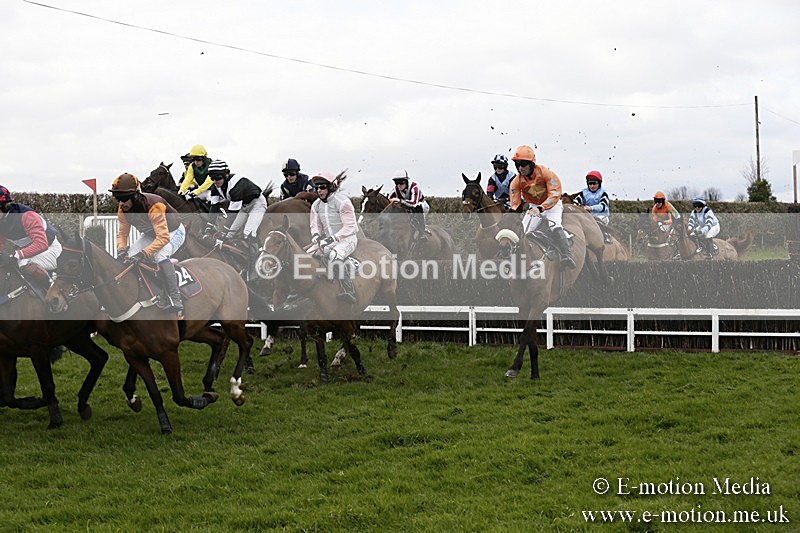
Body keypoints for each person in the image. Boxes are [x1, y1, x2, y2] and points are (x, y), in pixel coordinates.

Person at [110, 173, 186, 318]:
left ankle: (176, 300)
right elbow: (122, 234)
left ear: (135, 196)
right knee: (128, 258)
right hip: (152, 234)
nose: (121, 203)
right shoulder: (123, 210)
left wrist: (143, 254)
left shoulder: (154, 206)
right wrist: (121, 250)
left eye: (124, 198)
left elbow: (163, 238)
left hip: (173, 231)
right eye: (117, 198)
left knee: (160, 255)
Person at [509, 145, 575, 268]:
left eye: (523, 164)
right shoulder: (516, 181)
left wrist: (541, 208)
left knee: (554, 225)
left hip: (552, 205)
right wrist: (513, 211)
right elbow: (515, 203)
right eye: (517, 164)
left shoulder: (546, 173)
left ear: (532, 163)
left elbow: (555, 193)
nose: (520, 168)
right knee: (524, 232)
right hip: (534, 207)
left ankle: (567, 255)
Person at [0, 184, 62, 289]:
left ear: (3, 206)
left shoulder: (27, 216)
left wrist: (17, 255)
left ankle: (53, 290)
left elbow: (42, 244)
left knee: (22, 262)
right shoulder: (2, 220)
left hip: (50, 251)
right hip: (32, 253)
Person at [309, 172, 358, 303]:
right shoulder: (316, 205)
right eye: (317, 188)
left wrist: (332, 239)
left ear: (331, 187)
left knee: (335, 256)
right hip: (329, 240)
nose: (319, 191)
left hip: (348, 239)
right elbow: (315, 225)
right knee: (307, 256)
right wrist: (315, 236)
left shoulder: (343, 202)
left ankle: (349, 291)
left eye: (322, 187)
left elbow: (350, 226)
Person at [208, 160, 267, 256]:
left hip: (257, 204)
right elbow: (214, 207)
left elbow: (232, 213)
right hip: (243, 206)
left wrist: (222, 233)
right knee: (230, 234)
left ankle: (257, 259)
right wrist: (208, 226)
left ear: (226, 175)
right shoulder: (215, 187)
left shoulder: (236, 184)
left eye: (218, 177)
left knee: (248, 233)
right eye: (212, 178)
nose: (215, 181)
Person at [387, 169, 430, 242]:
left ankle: (422, 231)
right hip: (407, 206)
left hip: (420, 205)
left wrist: (400, 201)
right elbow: (388, 200)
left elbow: (414, 203)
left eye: (401, 183)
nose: (399, 185)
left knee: (419, 207)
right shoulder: (395, 189)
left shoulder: (414, 187)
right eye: (396, 183)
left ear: (406, 181)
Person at [573, 170, 612, 243]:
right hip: (589, 216)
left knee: (597, 222)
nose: (592, 186)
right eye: (590, 184)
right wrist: (578, 206)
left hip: (601, 216)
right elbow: (575, 201)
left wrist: (590, 208)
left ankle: (606, 235)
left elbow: (602, 206)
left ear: (599, 183)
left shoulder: (603, 194)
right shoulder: (584, 193)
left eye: (594, 183)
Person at [650, 190, 682, 259]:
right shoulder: (654, 208)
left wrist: (663, 222)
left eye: (659, 201)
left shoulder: (667, 206)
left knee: (672, 234)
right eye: (656, 201)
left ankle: (678, 251)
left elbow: (670, 220)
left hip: (675, 220)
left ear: (662, 201)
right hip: (663, 221)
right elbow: (654, 220)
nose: (657, 203)